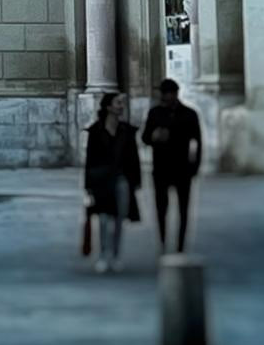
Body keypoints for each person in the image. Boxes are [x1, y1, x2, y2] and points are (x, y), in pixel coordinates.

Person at [142, 78, 202, 253]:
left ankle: (181, 246)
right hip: (161, 169)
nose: (167, 97)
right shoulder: (155, 114)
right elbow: (145, 137)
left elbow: (198, 143)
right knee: (161, 209)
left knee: (184, 210)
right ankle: (162, 243)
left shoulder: (189, 114)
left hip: (183, 169)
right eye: (165, 94)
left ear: (176, 94)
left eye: (170, 94)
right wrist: (154, 136)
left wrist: (195, 166)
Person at [84, 92, 142, 274]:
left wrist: (136, 181)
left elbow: (134, 158)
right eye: (118, 103)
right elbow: (90, 160)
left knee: (118, 220)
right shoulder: (96, 130)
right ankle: (103, 255)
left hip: (122, 180)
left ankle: (115, 256)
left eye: (122, 103)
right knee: (102, 219)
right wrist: (88, 185)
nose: (121, 106)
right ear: (108, 107)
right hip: (101, 181)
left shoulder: (127, 131)